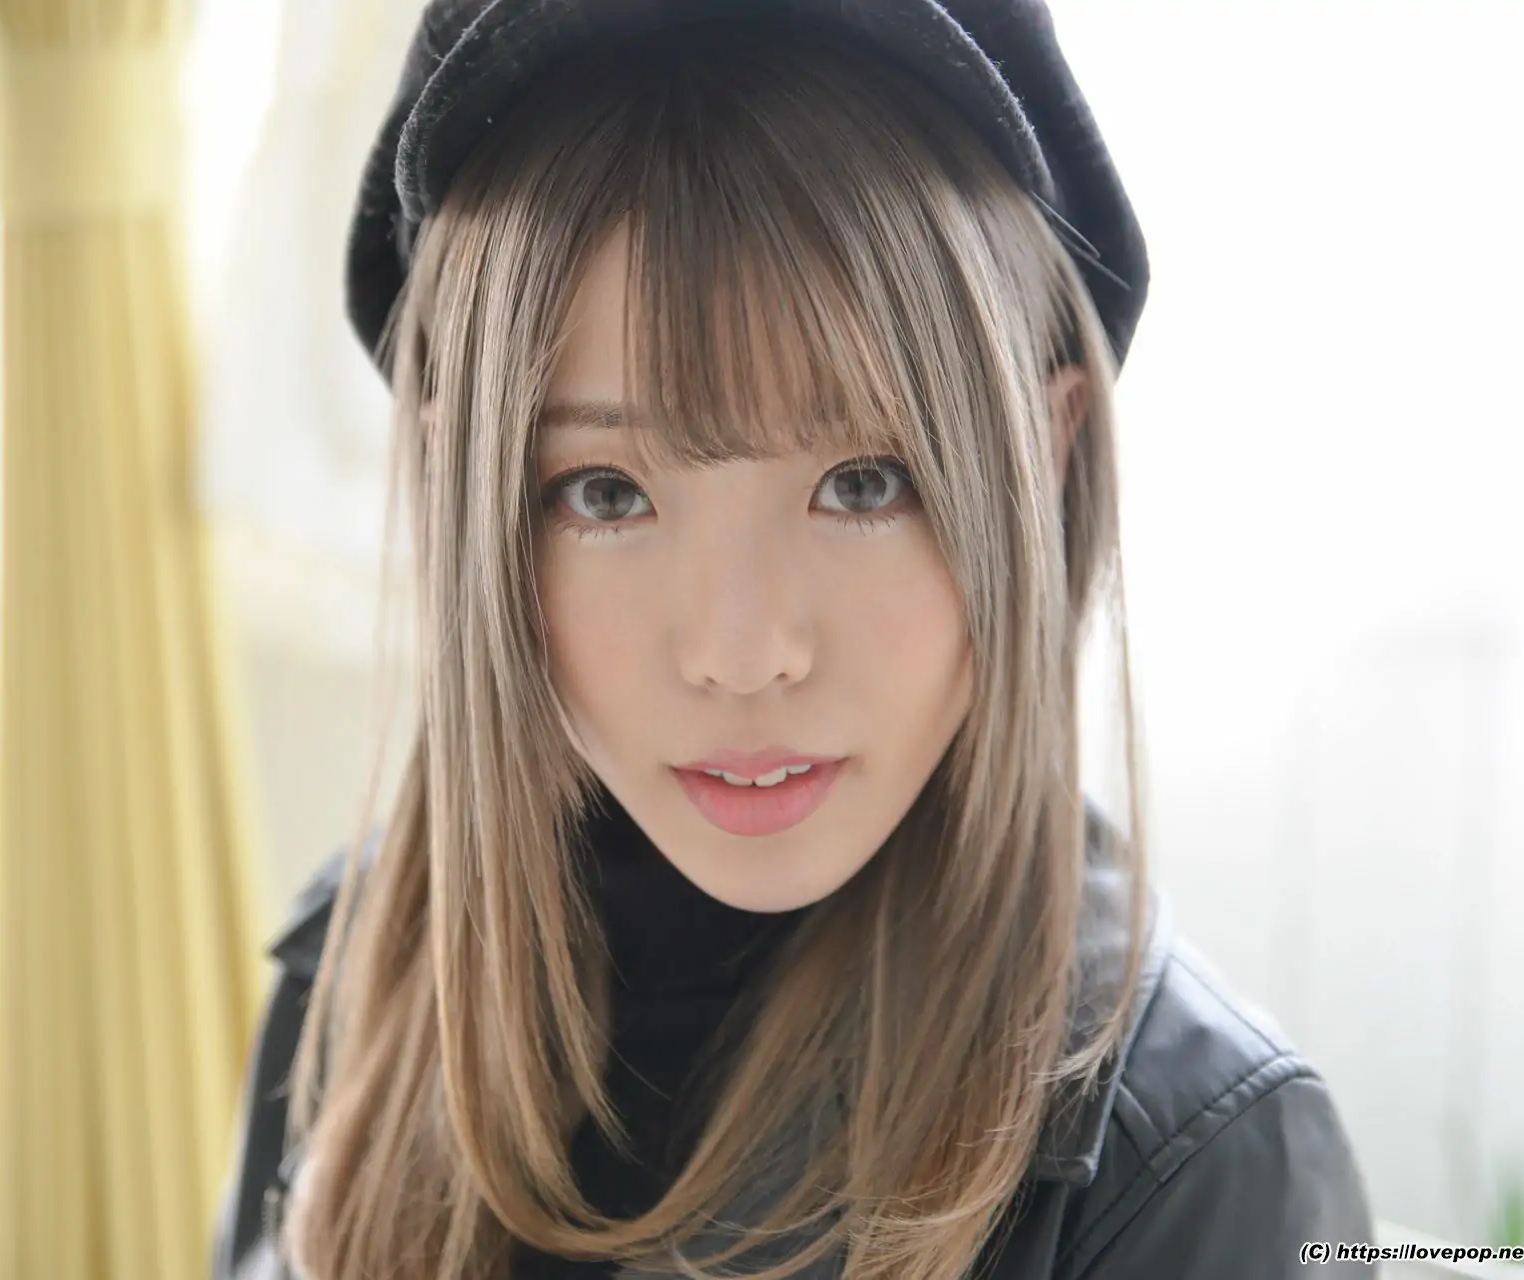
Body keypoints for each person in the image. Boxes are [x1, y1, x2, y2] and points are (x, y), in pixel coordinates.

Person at [211, 3, 1377, 1278]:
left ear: (1042, 461)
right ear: (461, 488)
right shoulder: (361, 976)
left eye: (865, 482)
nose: (743, 651)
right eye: (605, 492)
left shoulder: (1201, 1166)